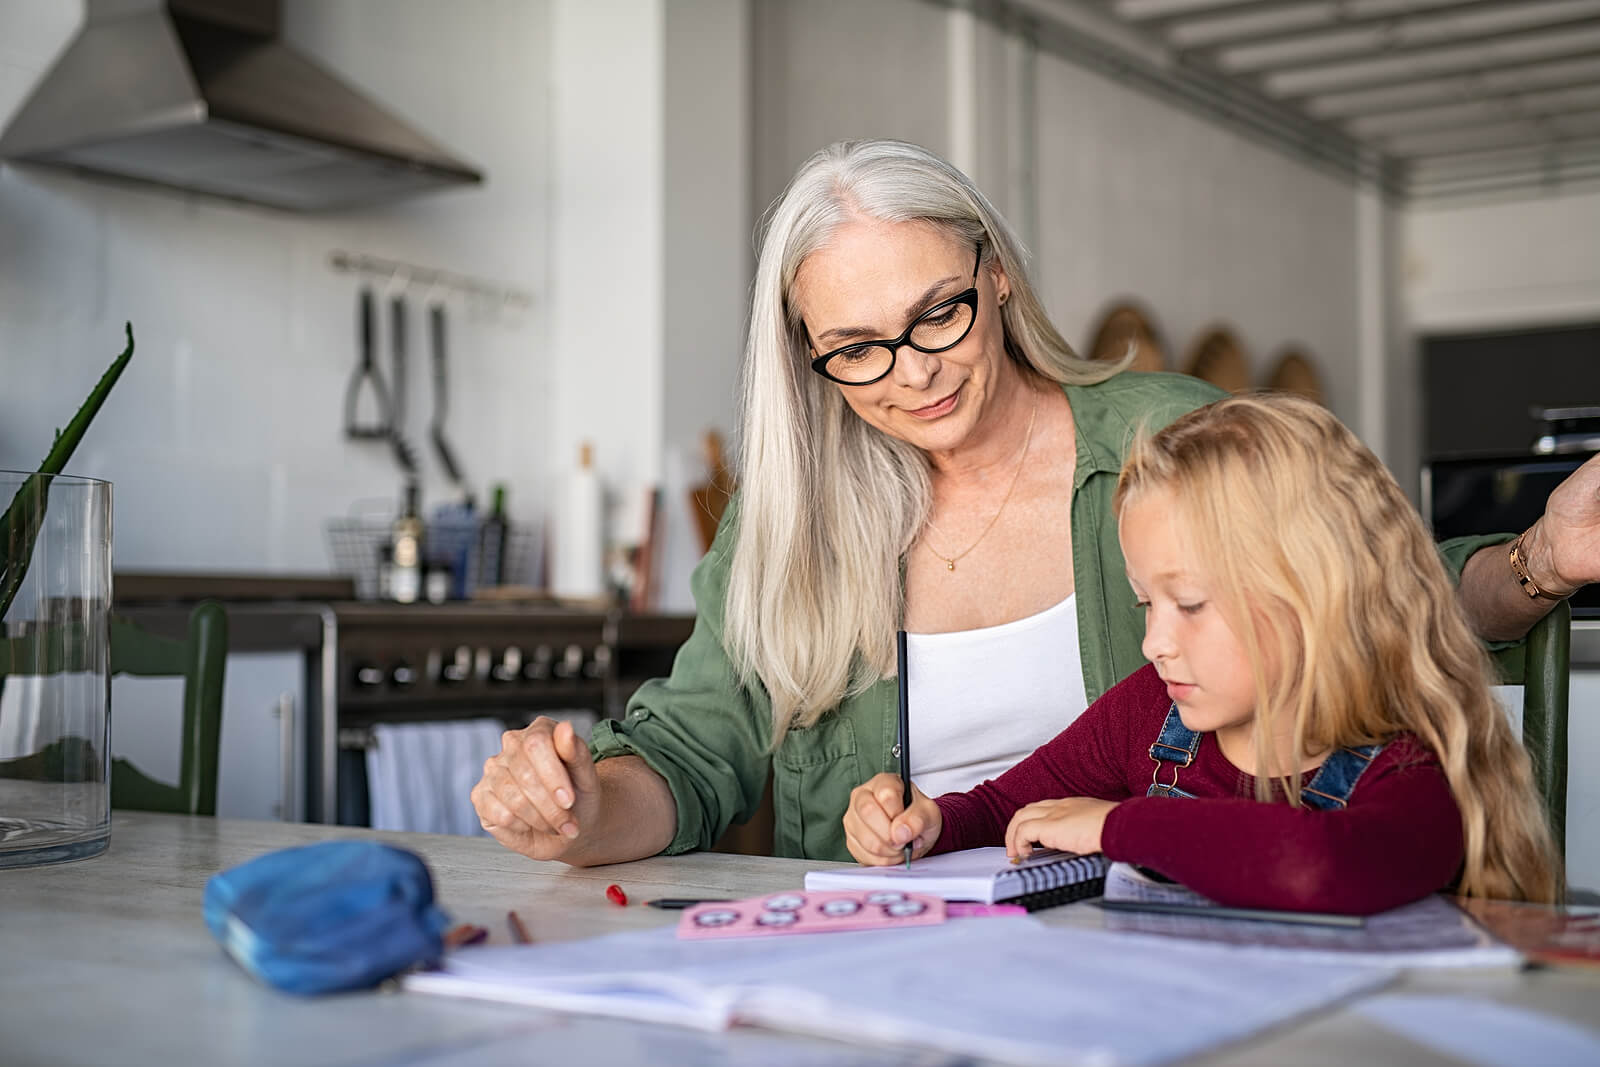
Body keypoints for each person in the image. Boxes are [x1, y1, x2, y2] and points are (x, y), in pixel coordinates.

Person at [471, 139, 1599, 866]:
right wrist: (577, 813)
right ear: (805, 358)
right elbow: (690, 753)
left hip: (1152, 933)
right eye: (857, 350)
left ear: (995, 274)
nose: (911, 369)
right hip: (892, 956)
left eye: (938, 313)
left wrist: (1541, 556)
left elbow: (1366, 594)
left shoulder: (1162, 434)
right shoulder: (791, 523)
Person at [844, 394, 1561, 912]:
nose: (1155, 641)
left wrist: (1114, 825)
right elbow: (1007, 805)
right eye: (1144, 604)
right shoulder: (1149, 716)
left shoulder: (1412, 756)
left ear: (1316, 591)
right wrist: (930, 820)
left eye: (1189, 604)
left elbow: (1321, 866)